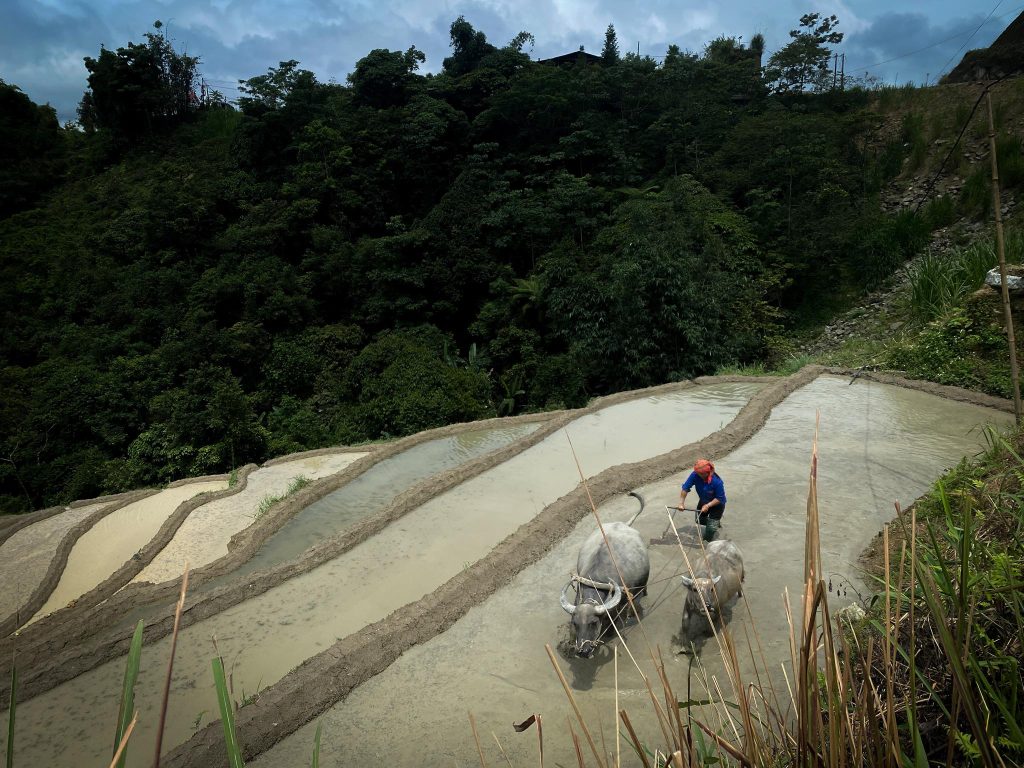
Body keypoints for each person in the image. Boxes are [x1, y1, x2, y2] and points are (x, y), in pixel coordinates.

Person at [678, 458, 726, 542]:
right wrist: (681, 503)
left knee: (710, 531)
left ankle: (708, 537)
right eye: (697, 473)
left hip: (717, 504)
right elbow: (685, 488)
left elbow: (720, 498)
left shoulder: (717, 481)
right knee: (699, 520)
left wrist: (708, 505)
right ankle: (715, 524)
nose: (697, 475)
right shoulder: (695, 475)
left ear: (707, 473)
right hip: (704, 500)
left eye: (700, 474)